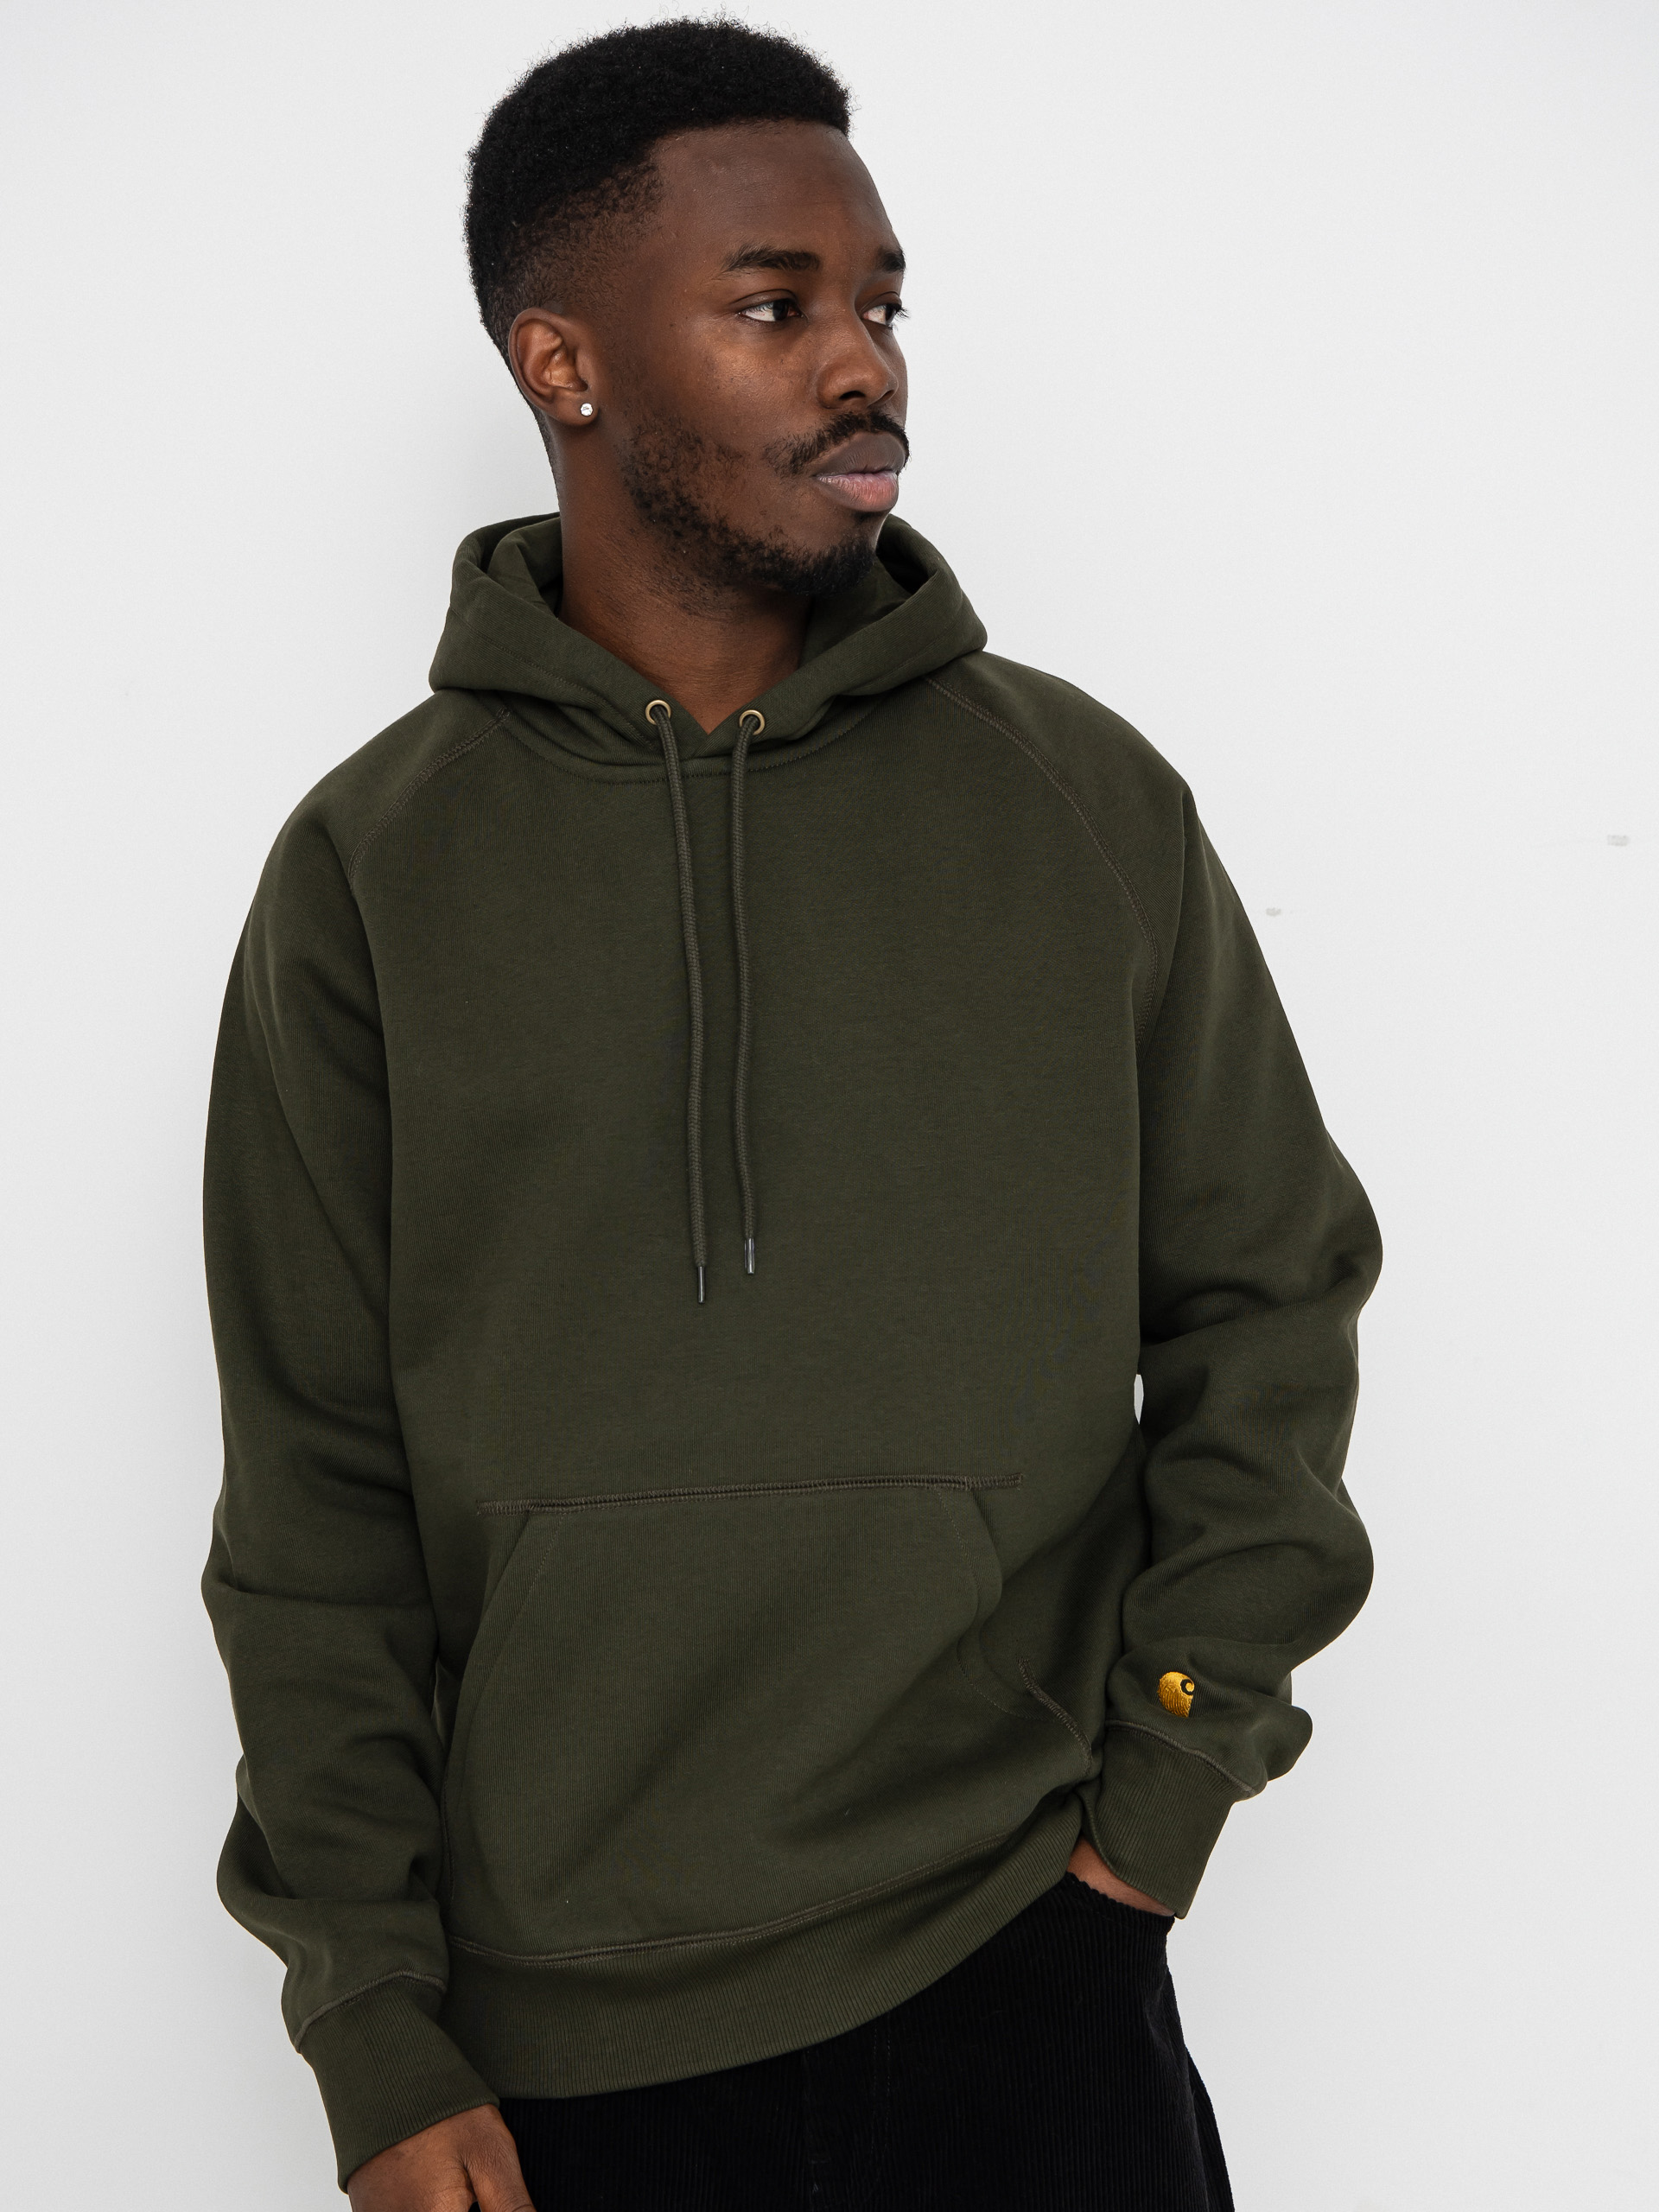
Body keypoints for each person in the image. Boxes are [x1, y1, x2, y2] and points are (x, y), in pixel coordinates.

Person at [201, 19, 1382, 2210]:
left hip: (1028, 1972)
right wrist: (370, 2018)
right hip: (551, 2055)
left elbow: (1269, 1303)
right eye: (775, 306)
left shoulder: (1080, 800)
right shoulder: (372, 871)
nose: (864, 366)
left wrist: (1159, 1804)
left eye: (881, 304)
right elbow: (312, 1500)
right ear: (562, 363)